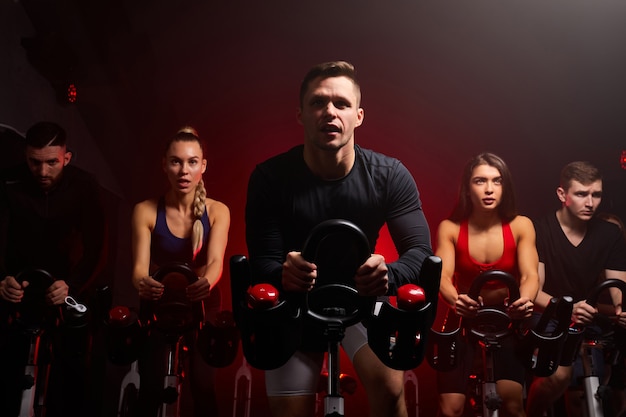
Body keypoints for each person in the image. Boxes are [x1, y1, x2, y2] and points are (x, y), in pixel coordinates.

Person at [245, 60, 433, 417]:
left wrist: (388, 276)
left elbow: (421, 253)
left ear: (358, 116)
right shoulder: (270, 178)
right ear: (300, 114)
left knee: (392, 393)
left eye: (341, 104)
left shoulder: (390, 175)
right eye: (318, 102)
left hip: (361, 299)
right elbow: (262, 261)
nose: (329, 112)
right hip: (295, 303)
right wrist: (282, 273)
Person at [0, 121, 107, 417]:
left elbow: (97, 249)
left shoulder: (86, 186)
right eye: (35, 162)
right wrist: (2, 279)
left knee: (71, 376)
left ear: (66, 158)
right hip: (17, 288)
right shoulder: (8, 183)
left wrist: (71, 286)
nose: (43, 172)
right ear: (25, 156)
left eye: (52, 163)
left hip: (67, 288)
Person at [131, 126, 230, 416]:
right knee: (149, 385)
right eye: (175, 161)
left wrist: (207, 283)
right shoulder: (145, 210)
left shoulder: (217, 211)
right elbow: (138, 268)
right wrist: (142, 283)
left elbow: (215, 262)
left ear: (203, 166)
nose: (183, 170)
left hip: (203, 300)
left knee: (203, 386)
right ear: (164, 165)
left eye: (191, 162)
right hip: (160, 297)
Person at [435, 152, 538, 417]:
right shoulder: (450, 228)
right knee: (451, 409)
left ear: (505, 187)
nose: (489, 189)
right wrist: (456, 300)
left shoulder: (521, 225)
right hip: (463, 315)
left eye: (497, 181)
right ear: (468, 188)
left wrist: (524, 300)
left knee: (512, 404)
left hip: (506, 317)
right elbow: (443, 278)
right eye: (480, 181)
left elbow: (530, 276)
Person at [525, 161, 626, 417]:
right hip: (550, 316)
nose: (590, 202)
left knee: (594, 391)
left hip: (590, 319)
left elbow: (618, 288)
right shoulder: (541, 230)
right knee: (558, 376)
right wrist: (568, 309)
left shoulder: (609, 234)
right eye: (582, 194)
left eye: (597, 195)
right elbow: (534, 292)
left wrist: (622, 308)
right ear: (562, 195)